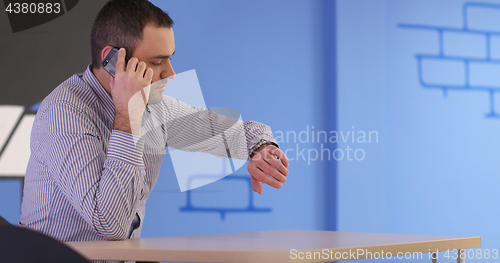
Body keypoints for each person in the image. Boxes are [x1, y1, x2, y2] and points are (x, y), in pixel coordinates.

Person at [19, 0, 289, 249]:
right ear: (113, 61)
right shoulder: (64, 112)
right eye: (157, 62)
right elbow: (110, 225)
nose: (170, 73)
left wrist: (262, 148)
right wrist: (127, 115)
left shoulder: (155, 107)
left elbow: (241, 132)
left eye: (170, 58)